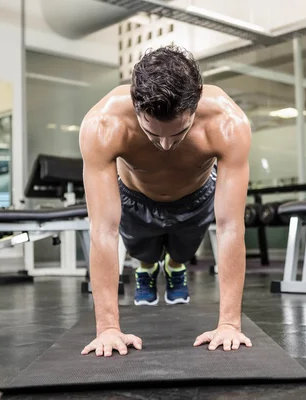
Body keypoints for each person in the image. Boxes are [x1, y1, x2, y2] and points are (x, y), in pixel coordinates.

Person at [78, 45, 253, 357]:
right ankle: (147, 265)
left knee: (183, 252)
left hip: (196, 198)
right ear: (134, 100)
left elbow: (229, 227)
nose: (165, 145)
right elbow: (103, 230)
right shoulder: (103, 125)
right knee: (141, 250)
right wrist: (107, 329)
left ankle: (173, 266)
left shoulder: (228, 124)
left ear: (197, 99)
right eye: (152, 133)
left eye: (179, 132)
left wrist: (229, 324)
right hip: (135, 198)